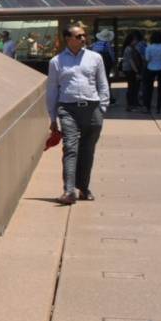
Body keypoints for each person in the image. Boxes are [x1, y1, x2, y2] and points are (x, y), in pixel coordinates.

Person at [47, 24, 108, 206]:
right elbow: (52, 90)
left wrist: (102, 107)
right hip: (68, 109)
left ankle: (84, 188)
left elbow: (103, 83)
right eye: (78, 36)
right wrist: (52, 117)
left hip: (92, 109)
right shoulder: (56, 61)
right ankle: (69, 191)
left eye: (84, 35)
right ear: (68, 38)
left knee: (87, 150)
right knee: (70, 148)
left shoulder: (95, 58)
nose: (83, 39)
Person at [141, 32, 161, 114]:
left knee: (148, 89)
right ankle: (158, 108)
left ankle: (147, 107)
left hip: (150, 68)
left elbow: (147, 59)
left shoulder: (149, 48)